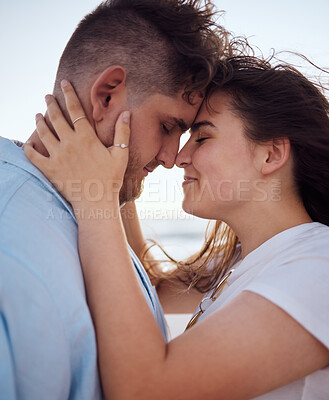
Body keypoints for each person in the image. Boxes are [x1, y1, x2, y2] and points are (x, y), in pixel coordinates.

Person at [26, 53, 329, 400]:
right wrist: (119, 174)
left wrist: (96, 200)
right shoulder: (243, 263)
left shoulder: (318, 266)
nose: (179, 157)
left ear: (271, 154)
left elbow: (146, 389)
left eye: (201, 138)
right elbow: (140, 286)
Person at [0, 1, 227, 398]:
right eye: (168, 126)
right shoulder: (11, 246)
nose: (172, 158)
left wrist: (106, 188)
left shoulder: (87, 209)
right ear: (107, 96)